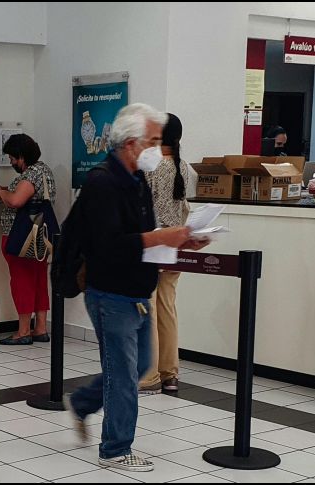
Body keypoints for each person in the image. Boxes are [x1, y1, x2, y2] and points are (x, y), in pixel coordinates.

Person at [65, 103, 208, 472]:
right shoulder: (101, 183)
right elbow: (108, 245)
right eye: (154, 141)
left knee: (139, 365)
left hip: (137, 290)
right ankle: (114, 448)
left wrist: (182, 240)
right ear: (131, 143)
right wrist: (162, 235)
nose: (159, 150)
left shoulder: (137, 181)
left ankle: (83, 402)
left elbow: (143, 236)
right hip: (109, 292)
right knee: (125, 375)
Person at [138, 113, 190, 395]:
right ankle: (171, 374)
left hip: (153, 244)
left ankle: (148, 376)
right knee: (168, 307)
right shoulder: (184, 167)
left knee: (148, 309)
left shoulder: (151, 166)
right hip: (177, 246)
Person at [0, 134, 57, 345]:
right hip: (41, 236)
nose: (11, 162)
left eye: (12, 158)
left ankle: (22, 332)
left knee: (21, 281)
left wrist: (2, 193)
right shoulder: (44, 170)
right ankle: (40, 328)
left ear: (22, 156)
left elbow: (16, 201)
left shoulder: (32, 173)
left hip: (21, 237)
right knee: (39, 280)